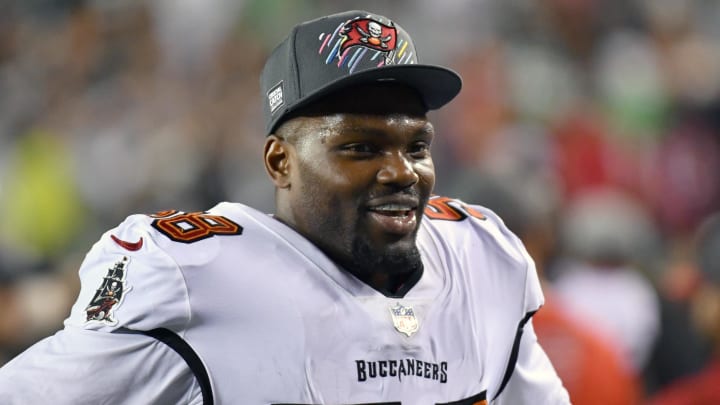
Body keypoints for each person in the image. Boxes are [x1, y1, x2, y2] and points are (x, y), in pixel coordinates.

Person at [0, 10, 570, 404]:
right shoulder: (196, 277)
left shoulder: (484, 259)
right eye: (361, 148)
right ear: (279, 163)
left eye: (415, 146)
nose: (400, 171)